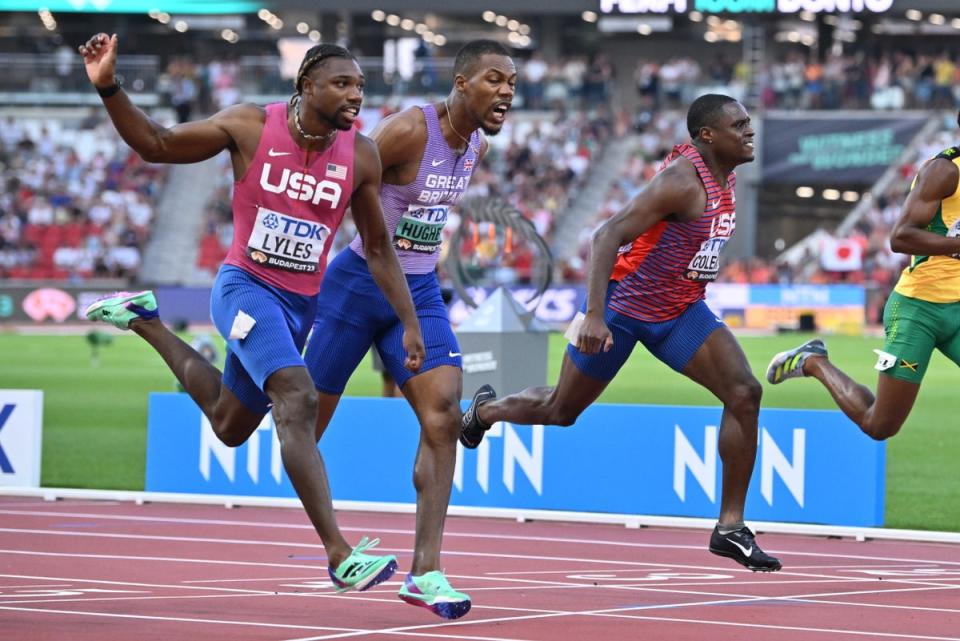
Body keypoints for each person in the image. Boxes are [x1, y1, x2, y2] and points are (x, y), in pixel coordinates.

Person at [78, 33, 425, 593]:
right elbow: (158, 144)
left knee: (230, 424)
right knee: (299, 396)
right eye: (342, 84)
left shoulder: (361, 154)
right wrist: (109, 86)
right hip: (245, 287)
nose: (356, 95)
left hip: (299, 305)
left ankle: (145, 320)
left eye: (360, 86)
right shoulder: (249, 126)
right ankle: (339, 554)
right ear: (306, 85)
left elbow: (379, 248)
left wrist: (409, 321)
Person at [461, 94, 782, 573]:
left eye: (749, 123)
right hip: (622, 310)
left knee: (744, 391)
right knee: (560, 410)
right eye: (739, 125)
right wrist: (594, 315)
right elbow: (606, 235)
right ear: (708, 136)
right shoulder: (679, 182)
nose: (750, 131)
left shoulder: (727, 175)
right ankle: (484, 411)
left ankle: (729, 528)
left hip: (680, 311)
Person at [303, 40, 516, 618]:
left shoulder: (477, 140)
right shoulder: (408, 131)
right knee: (298, 426)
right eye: (494, 80)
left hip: (419, 287)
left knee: (443, 416)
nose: (506, 92)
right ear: (462, 83)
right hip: (355, 285)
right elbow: (342, 177)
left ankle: (426, 570)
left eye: (512, 83)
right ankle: (338, 551)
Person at [766, 117, 960, 440]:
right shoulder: (945, 171)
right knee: (878, 425)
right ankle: (813, 361)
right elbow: (900, 238)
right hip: (919, 310)